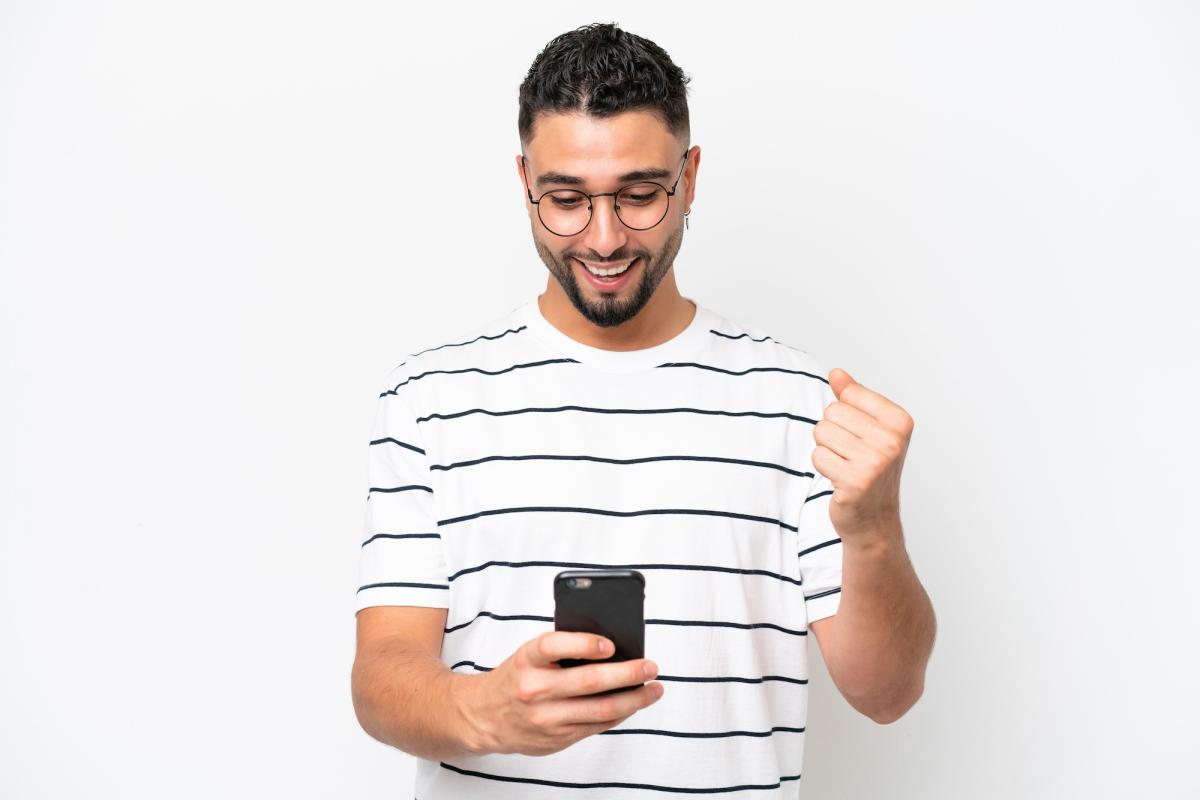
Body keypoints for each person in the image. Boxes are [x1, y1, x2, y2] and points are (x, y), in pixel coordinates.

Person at [350, 22, 936, 799]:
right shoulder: (430, 400)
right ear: (524, 181)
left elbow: (888, 693)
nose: (604, 238)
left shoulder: (799, 405)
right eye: (566, 199)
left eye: (638, 195)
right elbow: (380, 677)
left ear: (689, 178)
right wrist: (482, 711)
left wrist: (874, 530)